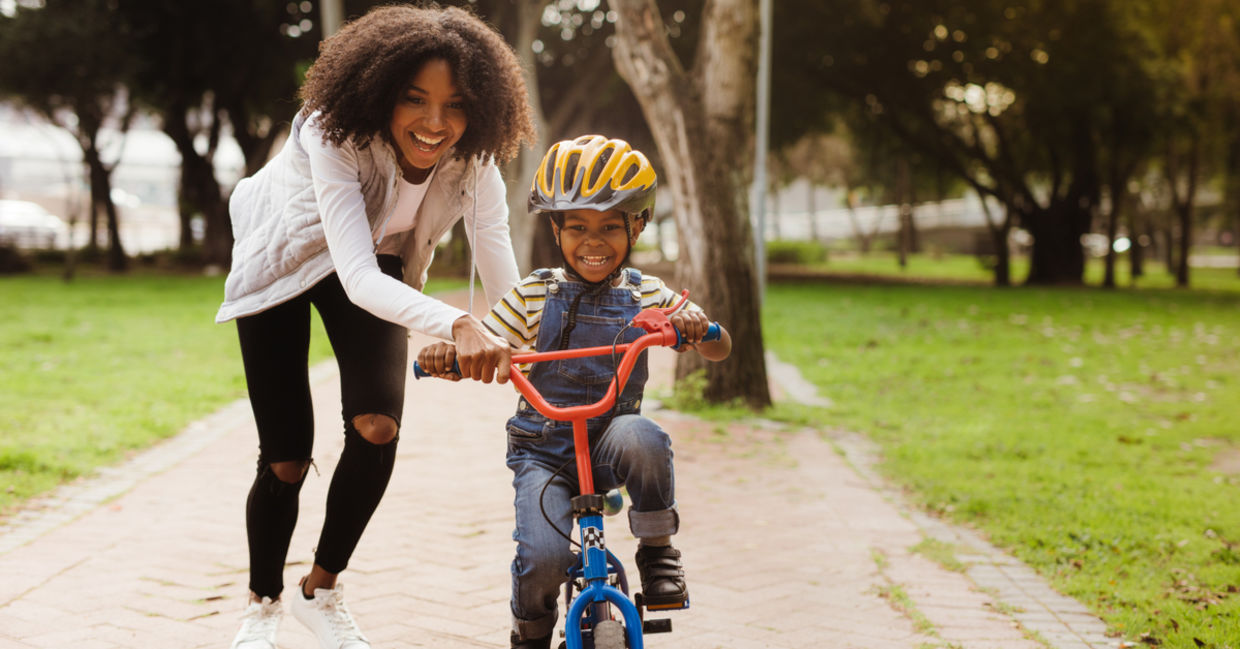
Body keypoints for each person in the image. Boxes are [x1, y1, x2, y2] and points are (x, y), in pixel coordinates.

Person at [214, 5, 535, 648]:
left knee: (377, 423)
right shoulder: (331, 132)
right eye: (415, 100)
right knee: (285, 458)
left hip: (376, 260)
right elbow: (355, 276)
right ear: (382, 92)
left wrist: (526, 336)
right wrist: (459, 323)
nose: (435, 123)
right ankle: (262, 605)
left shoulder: (473, 160)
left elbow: (496, 252)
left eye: (455, 105)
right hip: (283, 259)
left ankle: (321, 589)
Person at [417, 135, 733, 649]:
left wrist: (699, 329)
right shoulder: (534, 293)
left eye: (610, 227)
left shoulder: (647, 294)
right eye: (578, 227)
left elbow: (720, 349)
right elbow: (489, 342)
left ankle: (657, 553)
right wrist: (452, 356)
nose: (594, 241)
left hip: (611, 445)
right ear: (556, 228)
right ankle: (531, 631)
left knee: (646, 436)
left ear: (639, 225)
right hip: (544, 451)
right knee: (542, 559)